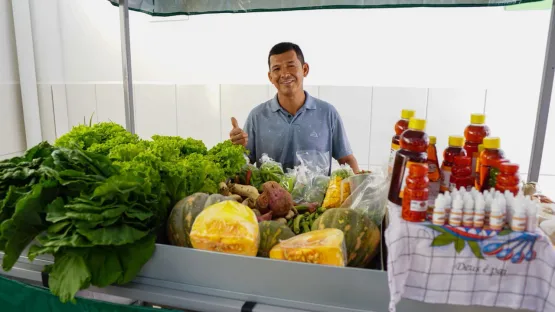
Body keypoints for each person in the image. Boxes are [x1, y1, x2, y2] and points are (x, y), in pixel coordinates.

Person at [229, 42, 360, 173]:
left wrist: (359, 187)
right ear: (270, 77)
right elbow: (243, 166)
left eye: (291, 66)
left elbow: (346, 159)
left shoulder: (327, 113)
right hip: (269, 194)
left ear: (305, 69)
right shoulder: (257, 116)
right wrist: (237, 149)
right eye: (277, 69)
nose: (285, 74)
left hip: (318, 194)